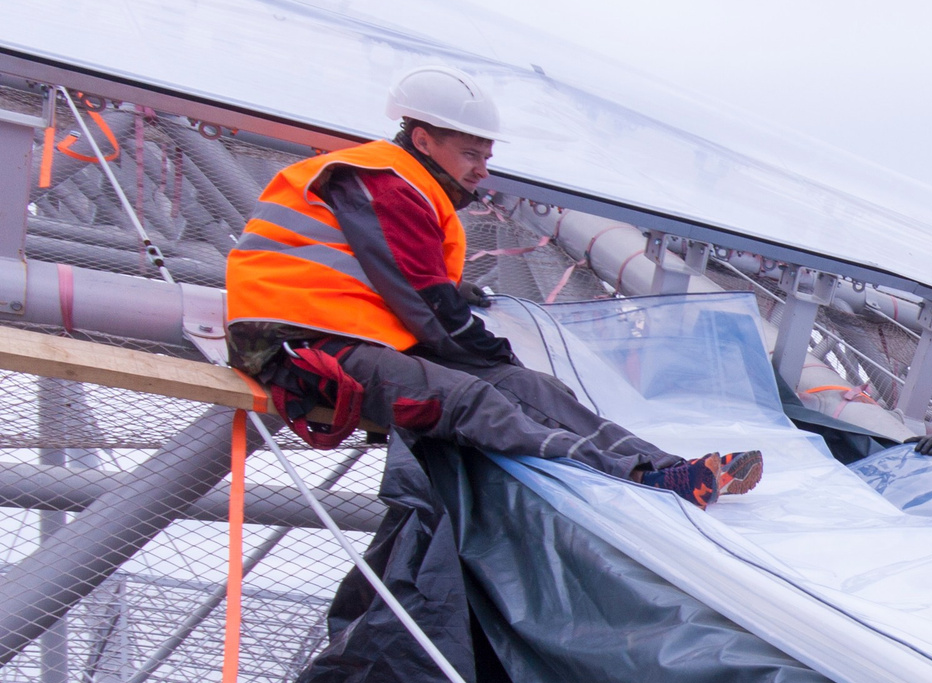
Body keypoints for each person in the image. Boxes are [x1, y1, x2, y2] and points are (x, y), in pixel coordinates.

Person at [225, 68, 760, 508]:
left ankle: (672, 468)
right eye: (470, 155)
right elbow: (425, 304)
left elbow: (403, 280)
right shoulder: (382, 181)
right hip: (295, 346)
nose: (483, 170)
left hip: (350, 335)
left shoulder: (406, 184)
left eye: (486, 157)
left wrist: (472, 320)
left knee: (533, 388)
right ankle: (636, 479)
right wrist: (488, 348)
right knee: (472, 397)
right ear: (423, 140)